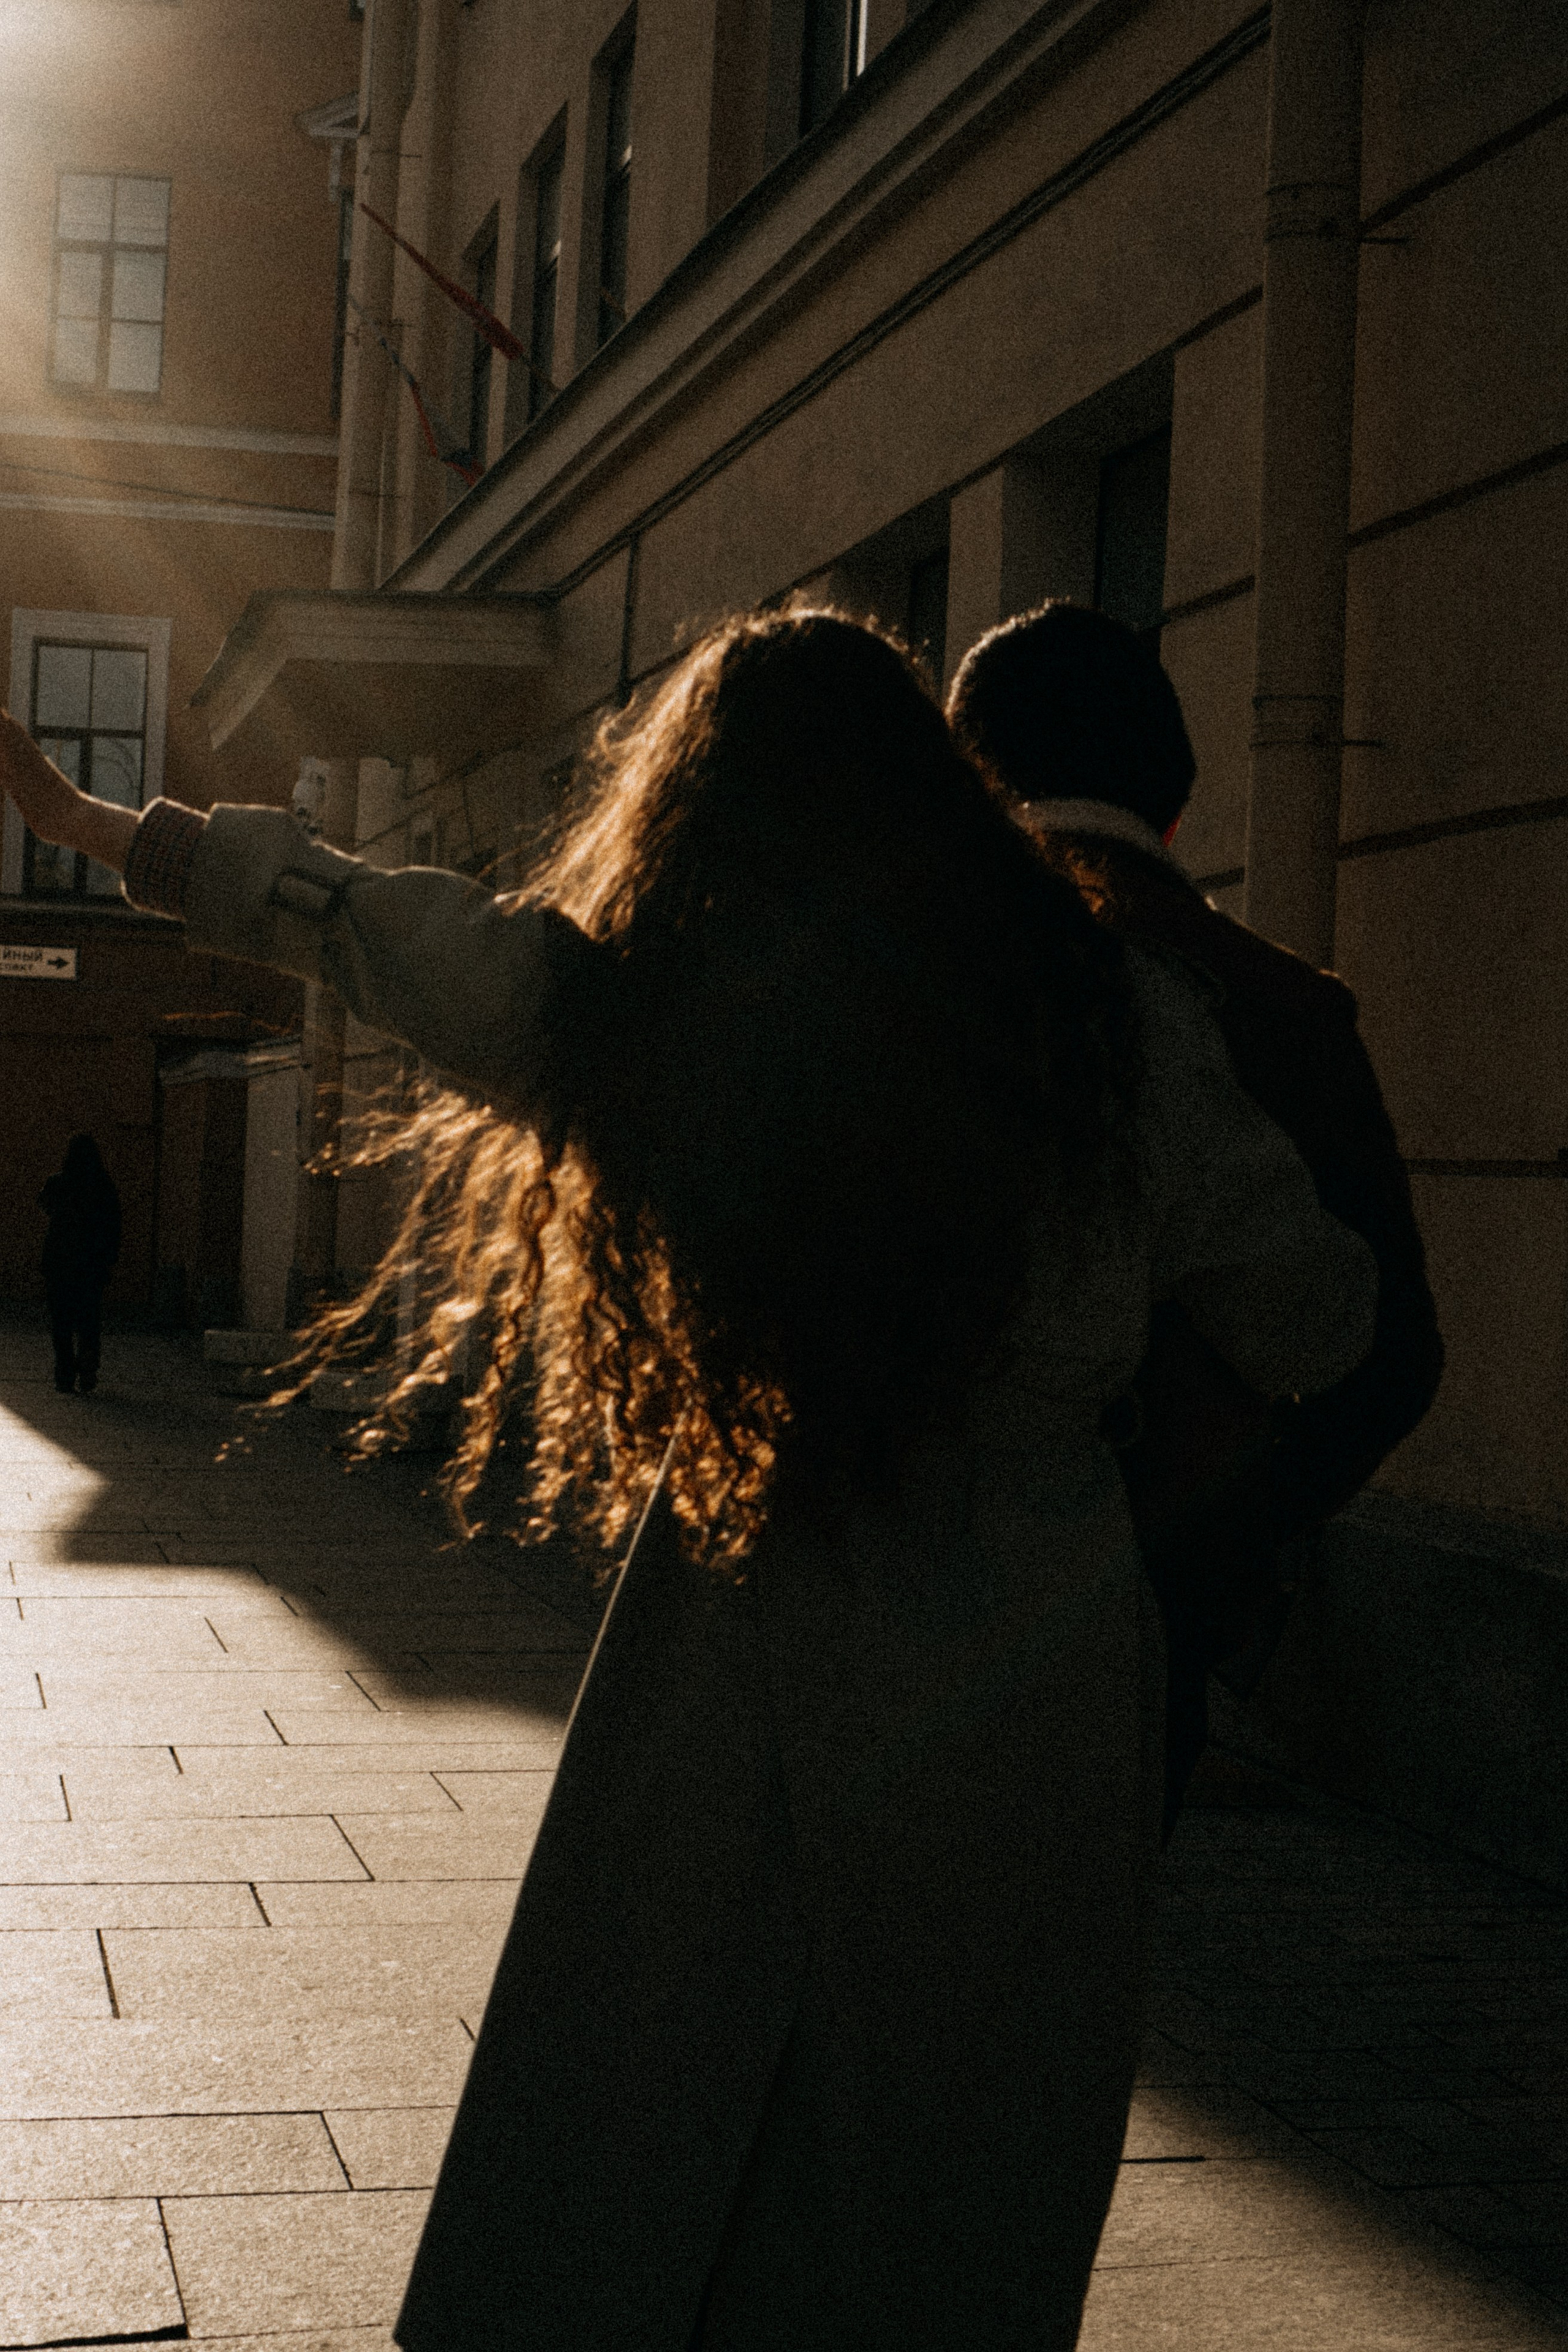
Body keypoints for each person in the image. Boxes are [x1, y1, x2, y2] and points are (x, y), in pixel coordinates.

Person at [0, 610, 1376, 2351]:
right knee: (953, 2173)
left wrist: (103, 826)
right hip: (1035, 1674)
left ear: (704, 818)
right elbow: (1318, 1313)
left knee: (647, 2134)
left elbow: (386, 928)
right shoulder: (1117, 1028)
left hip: (742, 1626)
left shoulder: (673, 1023)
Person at [947, 601, 1443, 1830]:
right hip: (1149, 1605)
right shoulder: (1286, 1011)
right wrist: (1222, 1547)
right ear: (1171, 796)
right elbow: (1391, 1355)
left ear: (964, 780)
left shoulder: (911, 976)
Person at [38, 1132, 121, 1393]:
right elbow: (114, 1225)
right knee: (89, 1317)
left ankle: (64, 1374)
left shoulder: (57, 1183)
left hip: (59, 1261)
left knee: (61, 1321)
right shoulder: (104, 1186)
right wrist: (109, 1258)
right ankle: (88, 1364)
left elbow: (44, 1205)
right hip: (91, 1262)